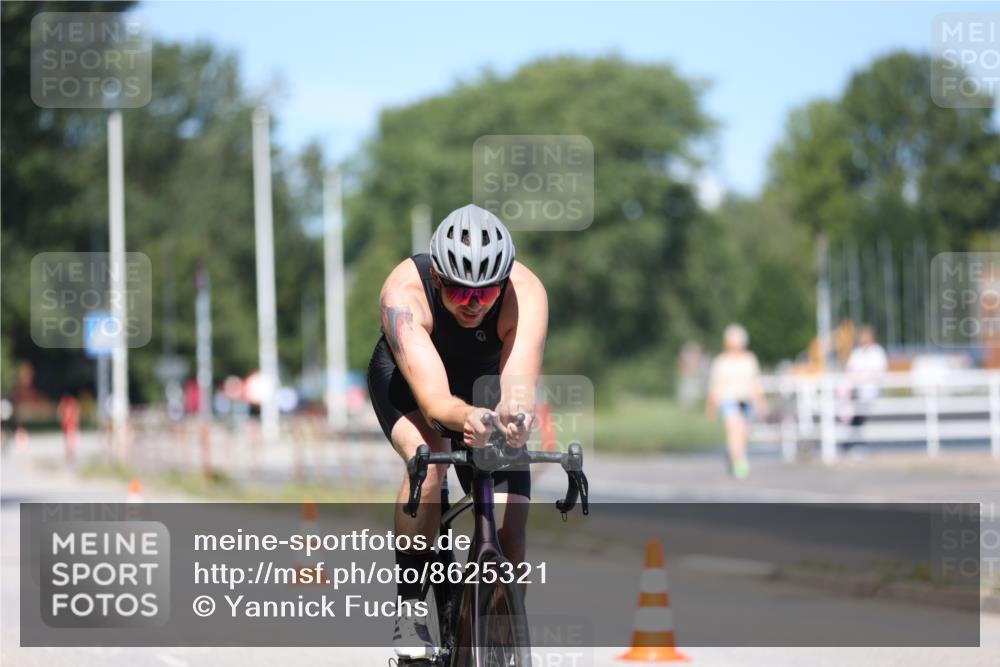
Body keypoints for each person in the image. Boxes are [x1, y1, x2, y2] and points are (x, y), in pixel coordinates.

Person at [367, 204, 547, 660]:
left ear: (503, 283)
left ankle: (496, 637)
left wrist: (514, 417)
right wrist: (465, 418)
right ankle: (410, 607)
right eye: (459, 293)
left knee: (512, 528)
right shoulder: (402, 293)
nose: (472, 306)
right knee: (428, 460)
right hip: (413, 381)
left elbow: (518, 387)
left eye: (485, 294)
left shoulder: (527, 292)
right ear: (438, 280)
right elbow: (435, 403)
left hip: (485, 380)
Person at [706, 324, 765, 479]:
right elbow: (715, 387)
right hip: (728, 400)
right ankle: (740, 462)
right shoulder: (721, 362)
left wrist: (761, 404)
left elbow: (755, 384)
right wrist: (711, 408)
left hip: (746, 400)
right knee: (734, 429)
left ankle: (735, 455)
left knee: (743, 433)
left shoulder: (749, 360)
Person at [840, 324, 888, 434]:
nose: (863, 338)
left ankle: (855, 438)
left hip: (869, 392)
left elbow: (878, 373)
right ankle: (853, 437)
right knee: (852, 411)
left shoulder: (877, 351)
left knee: (858, 414)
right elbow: (849, 371)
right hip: (855, 392)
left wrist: (860, 378)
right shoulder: (857, 353)